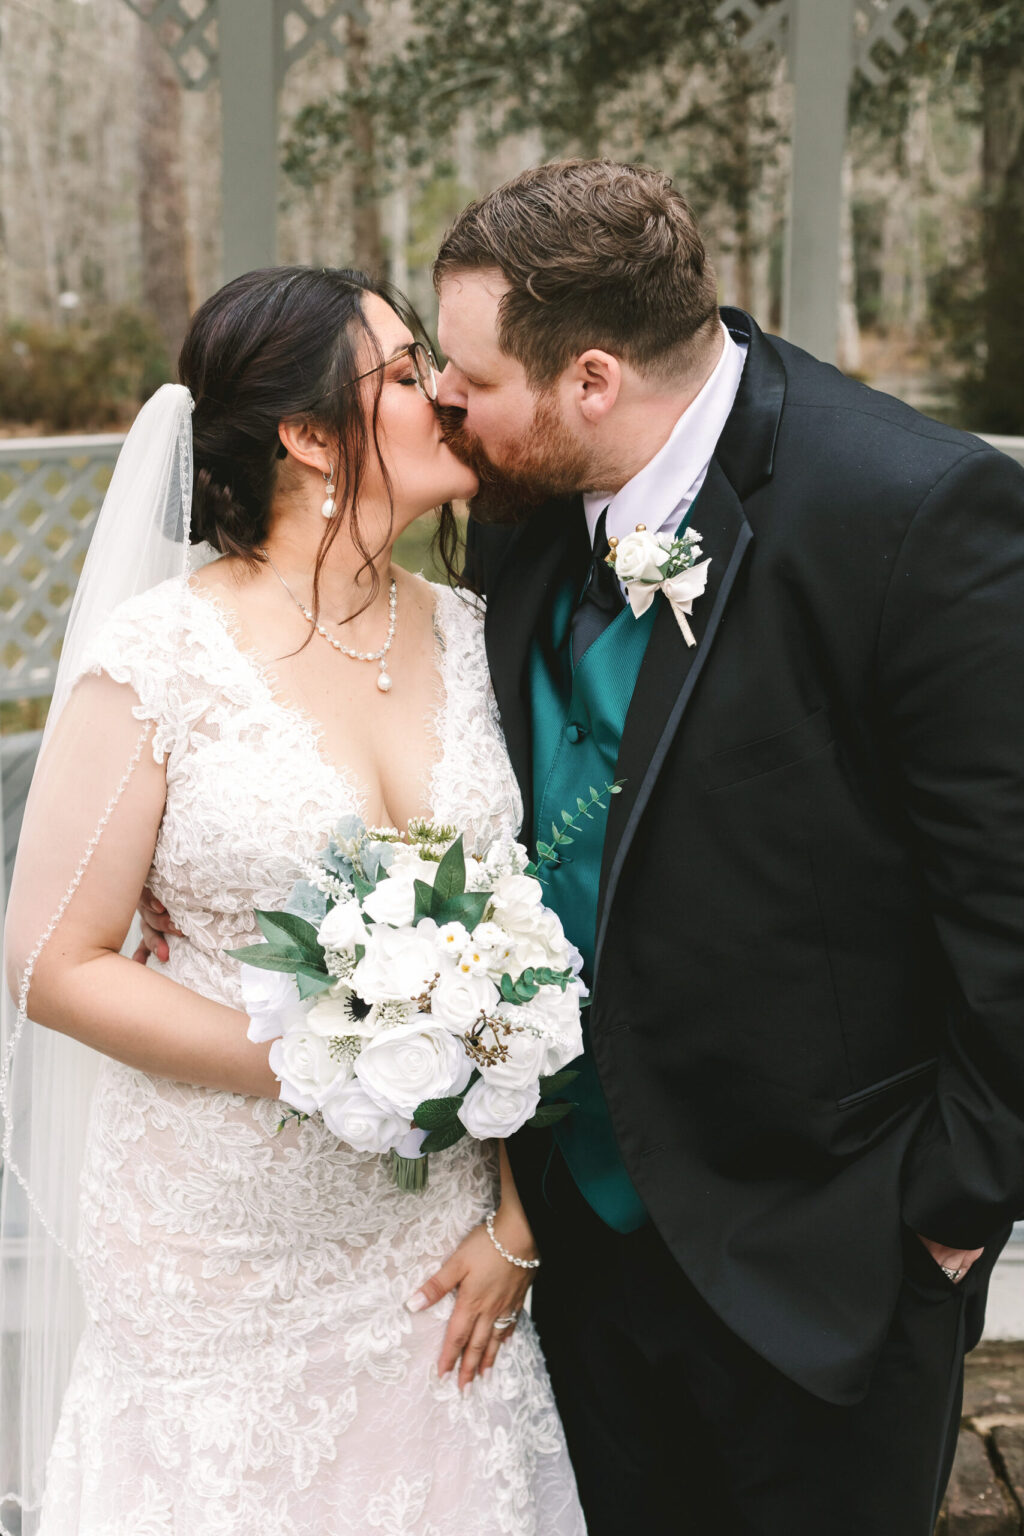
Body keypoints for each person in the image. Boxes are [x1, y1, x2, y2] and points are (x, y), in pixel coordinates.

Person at [403, 159, 1024, 1535]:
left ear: (594, 380)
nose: (445, 403)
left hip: (824, 1257)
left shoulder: (914, 515)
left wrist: (946, 1215)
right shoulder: (519, 506)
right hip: (576, 1241)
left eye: (469, 376)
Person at [1, 268, 585, 1535]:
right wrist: (328, 1063)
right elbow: (53, 959)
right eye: (400, 373)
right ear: (311, 438)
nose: (440, 392)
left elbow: (533, 944)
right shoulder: (162, 661)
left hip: (440, 1251)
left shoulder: (477, 632)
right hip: (220, 1256)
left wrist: (521, 1223)